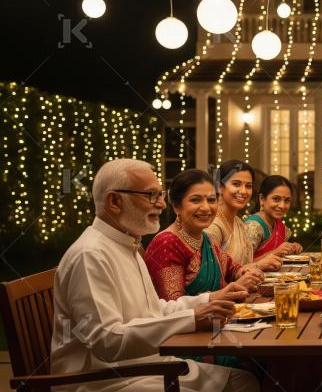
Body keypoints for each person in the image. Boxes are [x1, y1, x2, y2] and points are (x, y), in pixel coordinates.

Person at [50, 159, 259, 391]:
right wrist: (192, 319)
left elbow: (154, 310)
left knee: (244, 381)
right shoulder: (90, 255)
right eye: (151, 195)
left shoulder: (127, 244)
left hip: (148, 366)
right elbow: (107, 341)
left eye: (160, 194)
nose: (161, 204)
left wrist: (208, 300)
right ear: (114, 201)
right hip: (105, 381)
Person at [144, 169, 262, 301]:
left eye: (211, 200)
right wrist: (235, 288)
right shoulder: (167, 243)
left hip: (219, 318)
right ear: (177, 206)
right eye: (195, 200)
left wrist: (246, 273)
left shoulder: (207, 239)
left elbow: (233, 269)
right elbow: (174, 307)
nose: (206, 208)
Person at [205, 160, 282, 271]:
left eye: (248, 186)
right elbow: (214, 275)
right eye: (236, 184)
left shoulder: (238, 222)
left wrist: (266, 259)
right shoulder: (213, 225)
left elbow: (243, 265)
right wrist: (258, 265)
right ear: (219, 187)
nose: (243, 191)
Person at [243, 175, 303, 258]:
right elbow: (241, 266)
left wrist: (292, 247)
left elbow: (280, 254)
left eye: (287, 200)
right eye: (276, 199)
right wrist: (275, 253)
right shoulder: (253, 227)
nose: (282, 206)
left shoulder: (279, 226)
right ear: (262, 199)